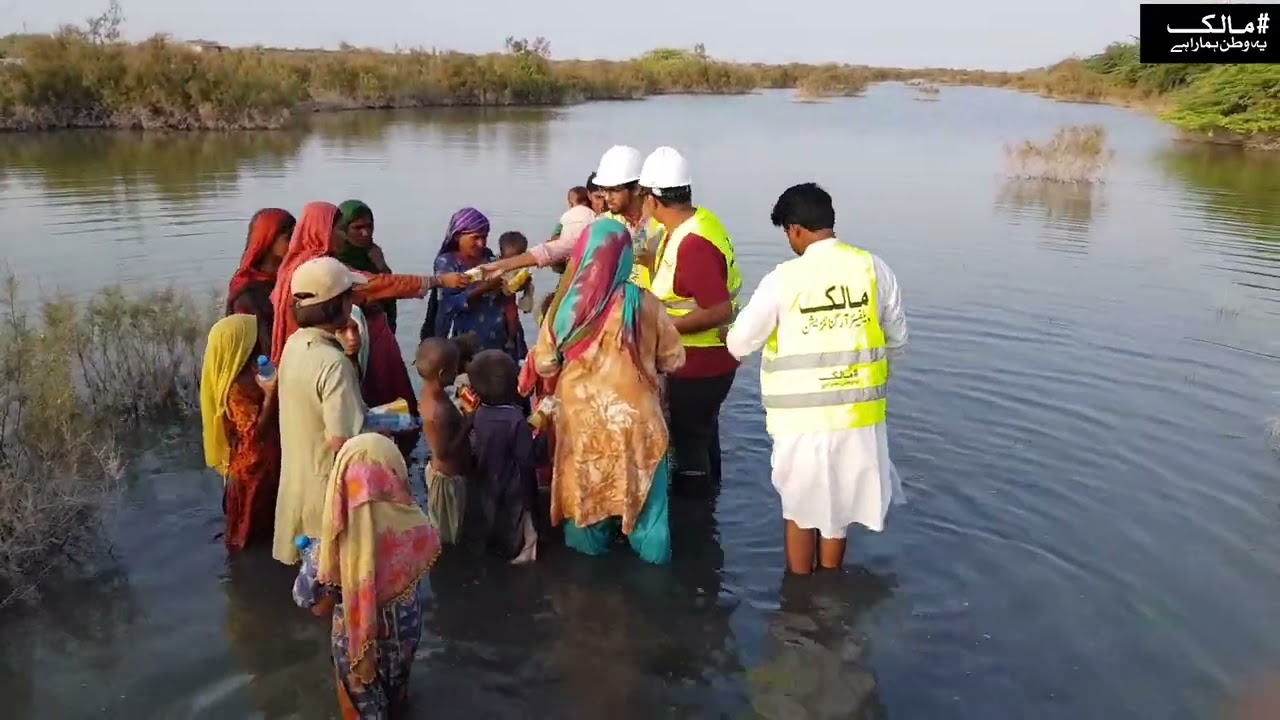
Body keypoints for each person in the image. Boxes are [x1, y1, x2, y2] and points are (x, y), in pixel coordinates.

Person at [723, 182, 908, 575]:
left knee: (800, 510)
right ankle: (830, 587)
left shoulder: (783, 279)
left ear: (795, 229)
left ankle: (800, 593)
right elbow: (897, 340)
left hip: (801, 423)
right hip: (858, 418)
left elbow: (739, 342)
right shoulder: (874, 269)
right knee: (838, 511)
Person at [530, 218, 686, 564]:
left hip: (583, 425)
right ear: (626, 258)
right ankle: (654, 583)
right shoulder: (644, 303)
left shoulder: (565, 308)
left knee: (587, 508)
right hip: (637, 423)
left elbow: (544, 365)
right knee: (650, 515)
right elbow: (674, 360)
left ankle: (588, 580)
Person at [292, 433, 441, 720]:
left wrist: (311, 560)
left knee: (363, 711)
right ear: (395, 474)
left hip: (355, 649)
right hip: (405, 638)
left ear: (340, 483)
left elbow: (308, 600)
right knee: (398, 702)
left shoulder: (329, 552)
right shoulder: (417, 530)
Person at [638, 146, 743, 492]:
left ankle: (696, 522)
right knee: (701, 433)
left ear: (653, 199)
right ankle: (711, 498)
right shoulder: (692, 224)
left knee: (687, 443)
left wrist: (660, 328)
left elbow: (718, 309)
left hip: (699, 362)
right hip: (705, 360)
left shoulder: (693, 242)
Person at [270, 201, 467, 366]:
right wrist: (438, 281)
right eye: (340, 229)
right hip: (315, 353)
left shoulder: (297, 261)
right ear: (321, 230)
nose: (343, 236)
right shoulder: (319, 267)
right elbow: (375, 284)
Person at [272, 257, 369, 565]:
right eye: (348, 296)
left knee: (312, 582)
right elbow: (343, 441)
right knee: (338, 583)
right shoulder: (333, 363)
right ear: (336, 305)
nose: (352, 301)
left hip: (297, 486)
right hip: (326, 492)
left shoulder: (294, 345)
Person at [473, 147, 665, 289]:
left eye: (614, 190)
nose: (607, 197)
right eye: (604, 190)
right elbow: (560, 247)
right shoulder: (609, 223)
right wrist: (503, 265)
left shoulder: (663, 223)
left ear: (637, 188)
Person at [200, 314, 280, 552]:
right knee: (250, 539)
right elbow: (255, 434)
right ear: (242, 344)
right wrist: (270, 395)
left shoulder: (250, 373)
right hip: (253, 475)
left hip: (262, 468)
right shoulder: (236, 389)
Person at [466, 349, 541, 564]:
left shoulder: (479, 414)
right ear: (512, 387)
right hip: (514, 484)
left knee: (492, 514)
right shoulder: (516, 419)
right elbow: (526, 460)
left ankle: (495, 550)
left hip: (487, 480)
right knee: (517, 518)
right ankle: (518, 552)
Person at [420, 208, 512, 353]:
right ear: (457, 237)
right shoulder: (447, 263)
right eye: (475, 238)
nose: (481, 243)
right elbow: (451, 303)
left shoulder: (489, 257)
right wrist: (485, 286)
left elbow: (504, 292)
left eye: (484, 237)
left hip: (498, 337)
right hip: (465, 341)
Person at [416, 337, 470, 545]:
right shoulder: (438, 411)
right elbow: (443, 453)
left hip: (445, 473)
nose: (458, 372)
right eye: (455, 368)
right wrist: (468, 422)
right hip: (446, 480)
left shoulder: (430, 395)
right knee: (448, 535)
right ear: (442, 374)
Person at [227, 208, 296, 353]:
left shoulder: (288, 277)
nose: (295, 244)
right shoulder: (248, 292)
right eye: (289, 238)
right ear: (268, 239)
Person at [335, 200, 398, 333]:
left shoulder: (373, 254)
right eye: (357, 228)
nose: (365, 233)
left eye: (369, 226)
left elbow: (390, 293)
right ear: (342, 229)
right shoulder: (333, 260)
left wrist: (382, 267)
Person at [496, 230, 532, 359]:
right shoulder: (495, 265)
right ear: (501, 256)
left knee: (512, 318)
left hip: (509, 300)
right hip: (499, 301)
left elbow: (526, 288)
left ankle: (511, 339)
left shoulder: (521, 269)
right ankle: (510, 340)